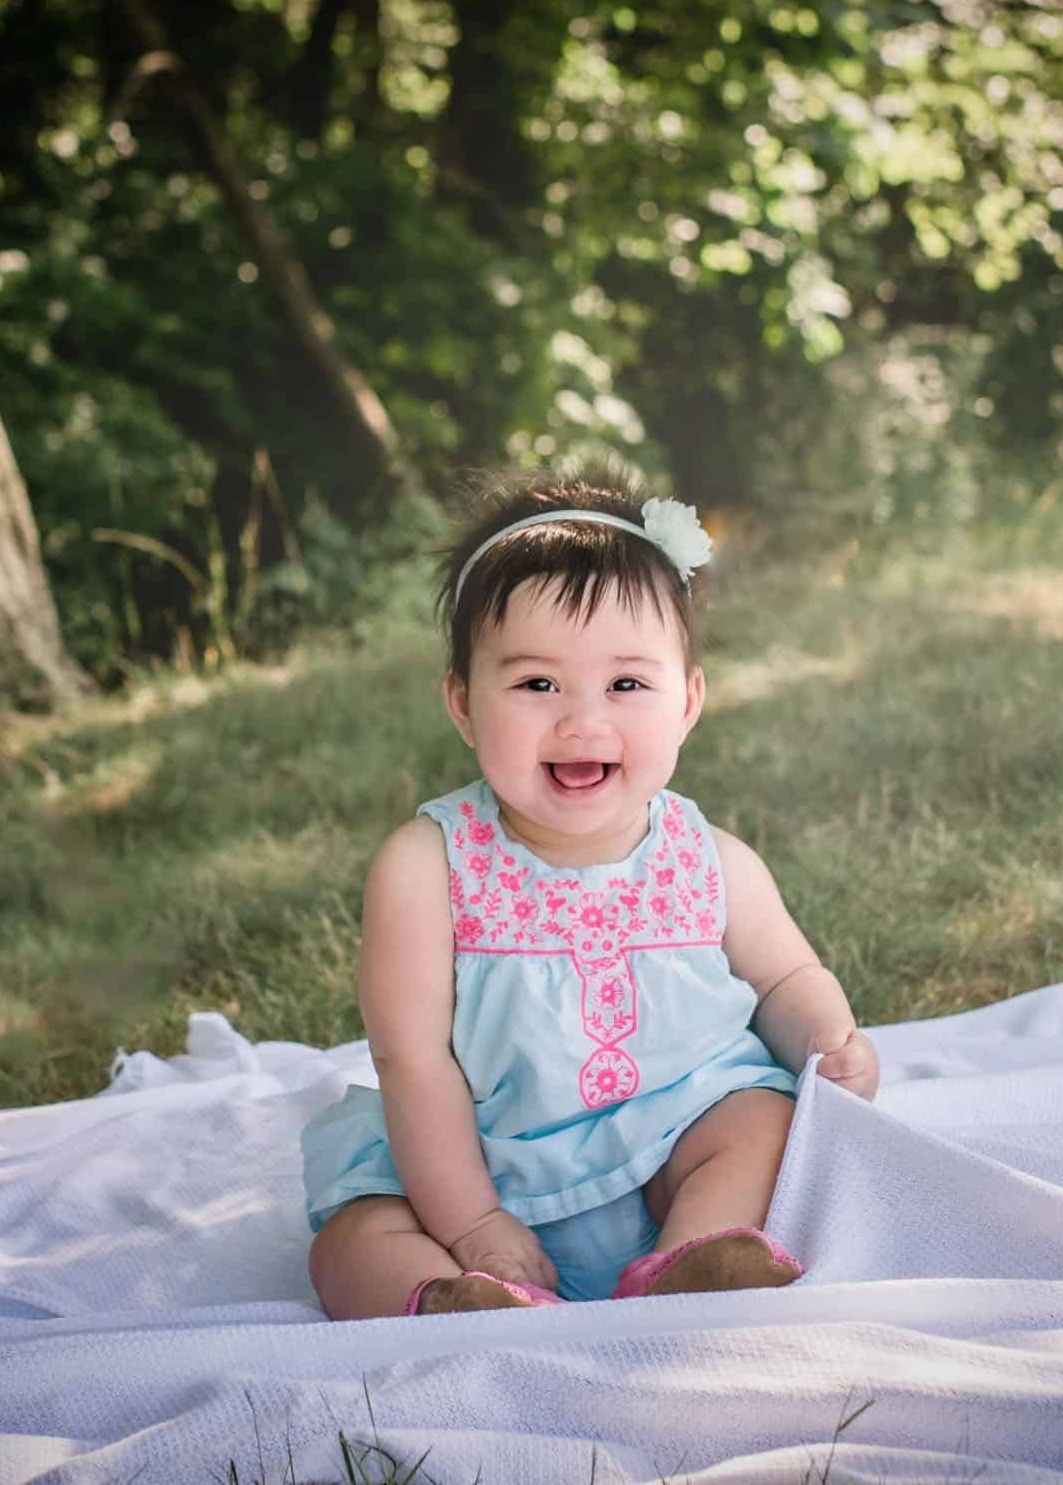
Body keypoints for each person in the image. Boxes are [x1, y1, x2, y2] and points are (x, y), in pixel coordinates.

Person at [301, 469, 880, 1319]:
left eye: (626, 684)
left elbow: (785, 979)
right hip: (466, 1168)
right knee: (353, 1240)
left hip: (669, 1157)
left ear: (687, 701)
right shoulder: (426, 868)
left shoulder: (708, 860)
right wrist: (472, 1221)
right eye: (537, 685)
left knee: (759, 1120)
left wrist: (828, 1038)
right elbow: (412, 1062)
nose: (581, 720)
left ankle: (697, 1257)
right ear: (463, 703)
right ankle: (450, 1302)